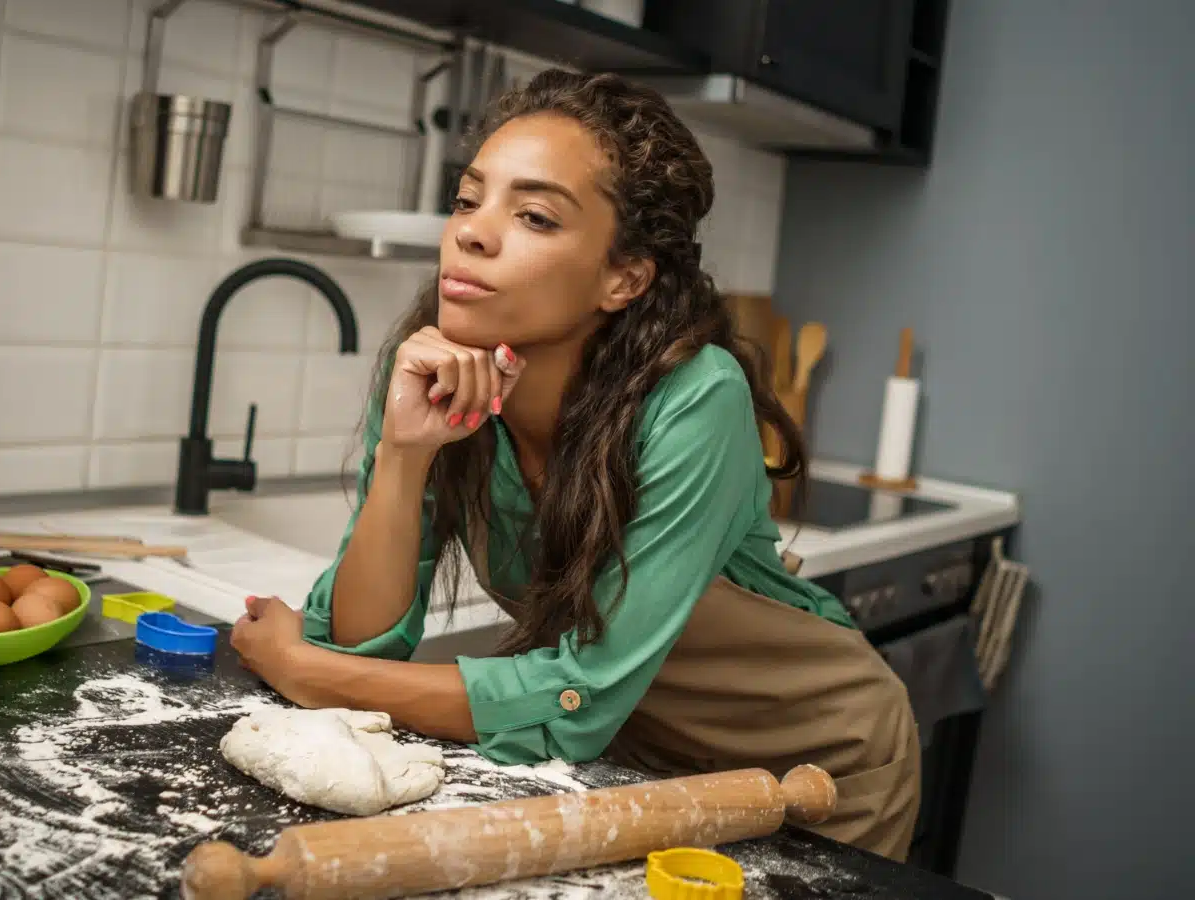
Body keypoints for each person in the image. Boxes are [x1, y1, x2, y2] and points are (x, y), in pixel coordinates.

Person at [229, 69, 920, 860]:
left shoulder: (694, 397)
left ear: (623, 277)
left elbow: (577, 695)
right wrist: (404, 454)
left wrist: (303, 670)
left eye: (533, 215)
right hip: (630, 769)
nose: (472, 233)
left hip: (814, 770)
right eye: (467, 199)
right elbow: (361, 646)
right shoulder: (439, 367)